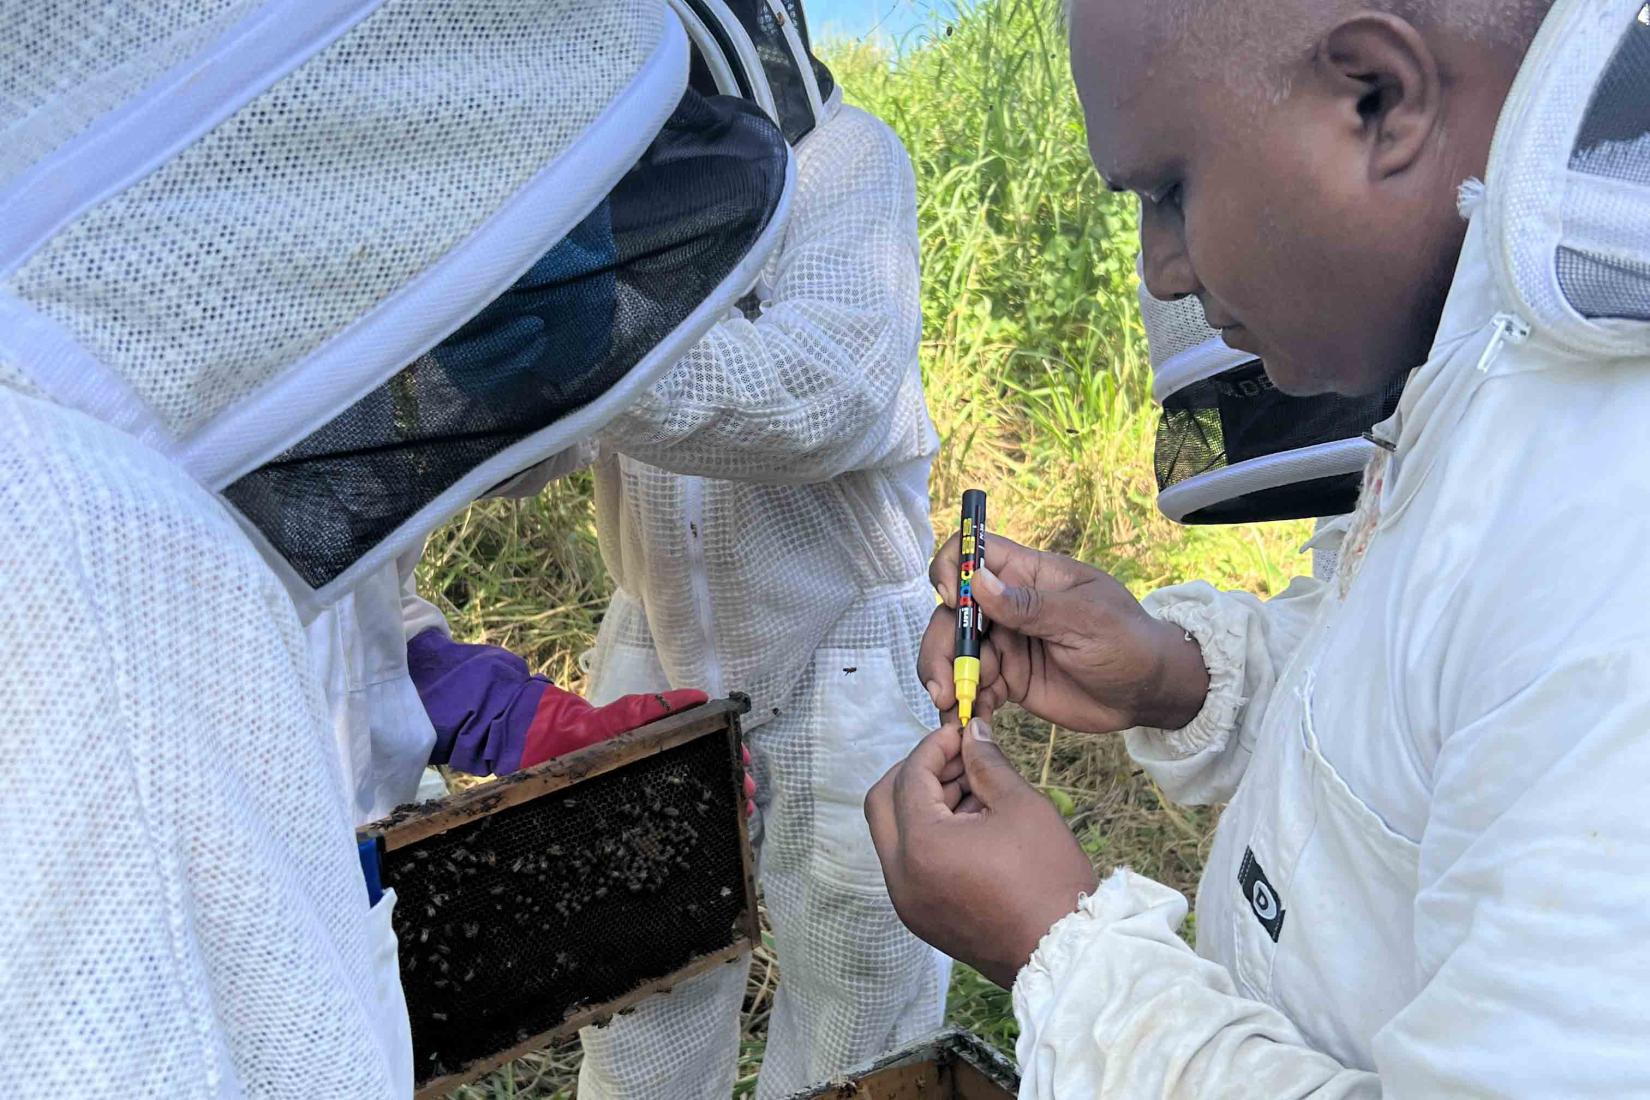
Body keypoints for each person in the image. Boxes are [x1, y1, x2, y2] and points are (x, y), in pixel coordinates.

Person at [0, 1, 793, 1092]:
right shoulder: (74, 536)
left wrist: (526, 718)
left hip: (331, 887)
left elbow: (352, 624)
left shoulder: (170, 450)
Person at [867, 0, 1650, 1094]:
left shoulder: (1611, 531)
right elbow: (1407, 681)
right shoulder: (1497, 361)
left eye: (1168, 191)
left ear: (1378, 98)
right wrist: (1175, 675)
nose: (1160, 271)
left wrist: (1064, 957)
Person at [574, 3, 951, 1097]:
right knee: (637, 1000)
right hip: (658, 643)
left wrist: (593, 353)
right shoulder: (616, 201)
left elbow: (821, 391)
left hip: (841, 648)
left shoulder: (846, 161)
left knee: (861, 1015)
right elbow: (536, 445)